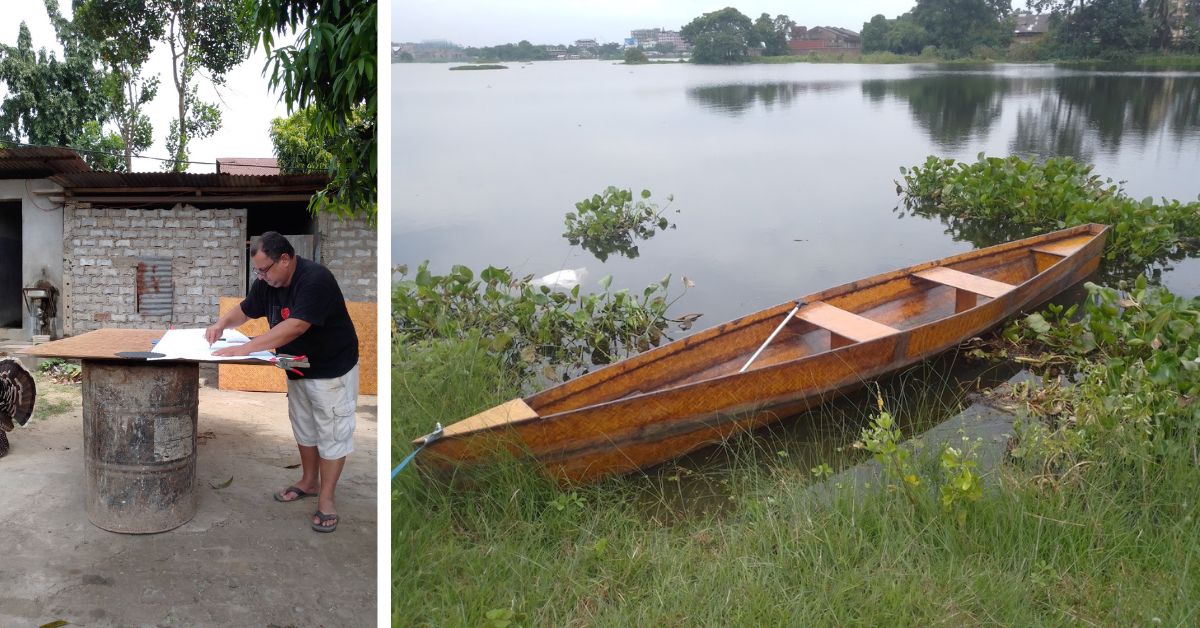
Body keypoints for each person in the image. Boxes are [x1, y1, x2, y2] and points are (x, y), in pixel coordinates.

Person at [206, 231, 359, 533]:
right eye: (258, 271)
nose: (261, 276)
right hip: (297, 366)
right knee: (303, 425)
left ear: (285, 259)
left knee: (332, 431)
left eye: (265, 269)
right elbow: (247, 308)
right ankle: (308, 481)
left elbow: (296, 325)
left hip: (331, 369)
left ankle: (326, 499)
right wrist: (221, 323)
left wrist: (247, 347)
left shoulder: (315, 279)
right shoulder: (267, 283)